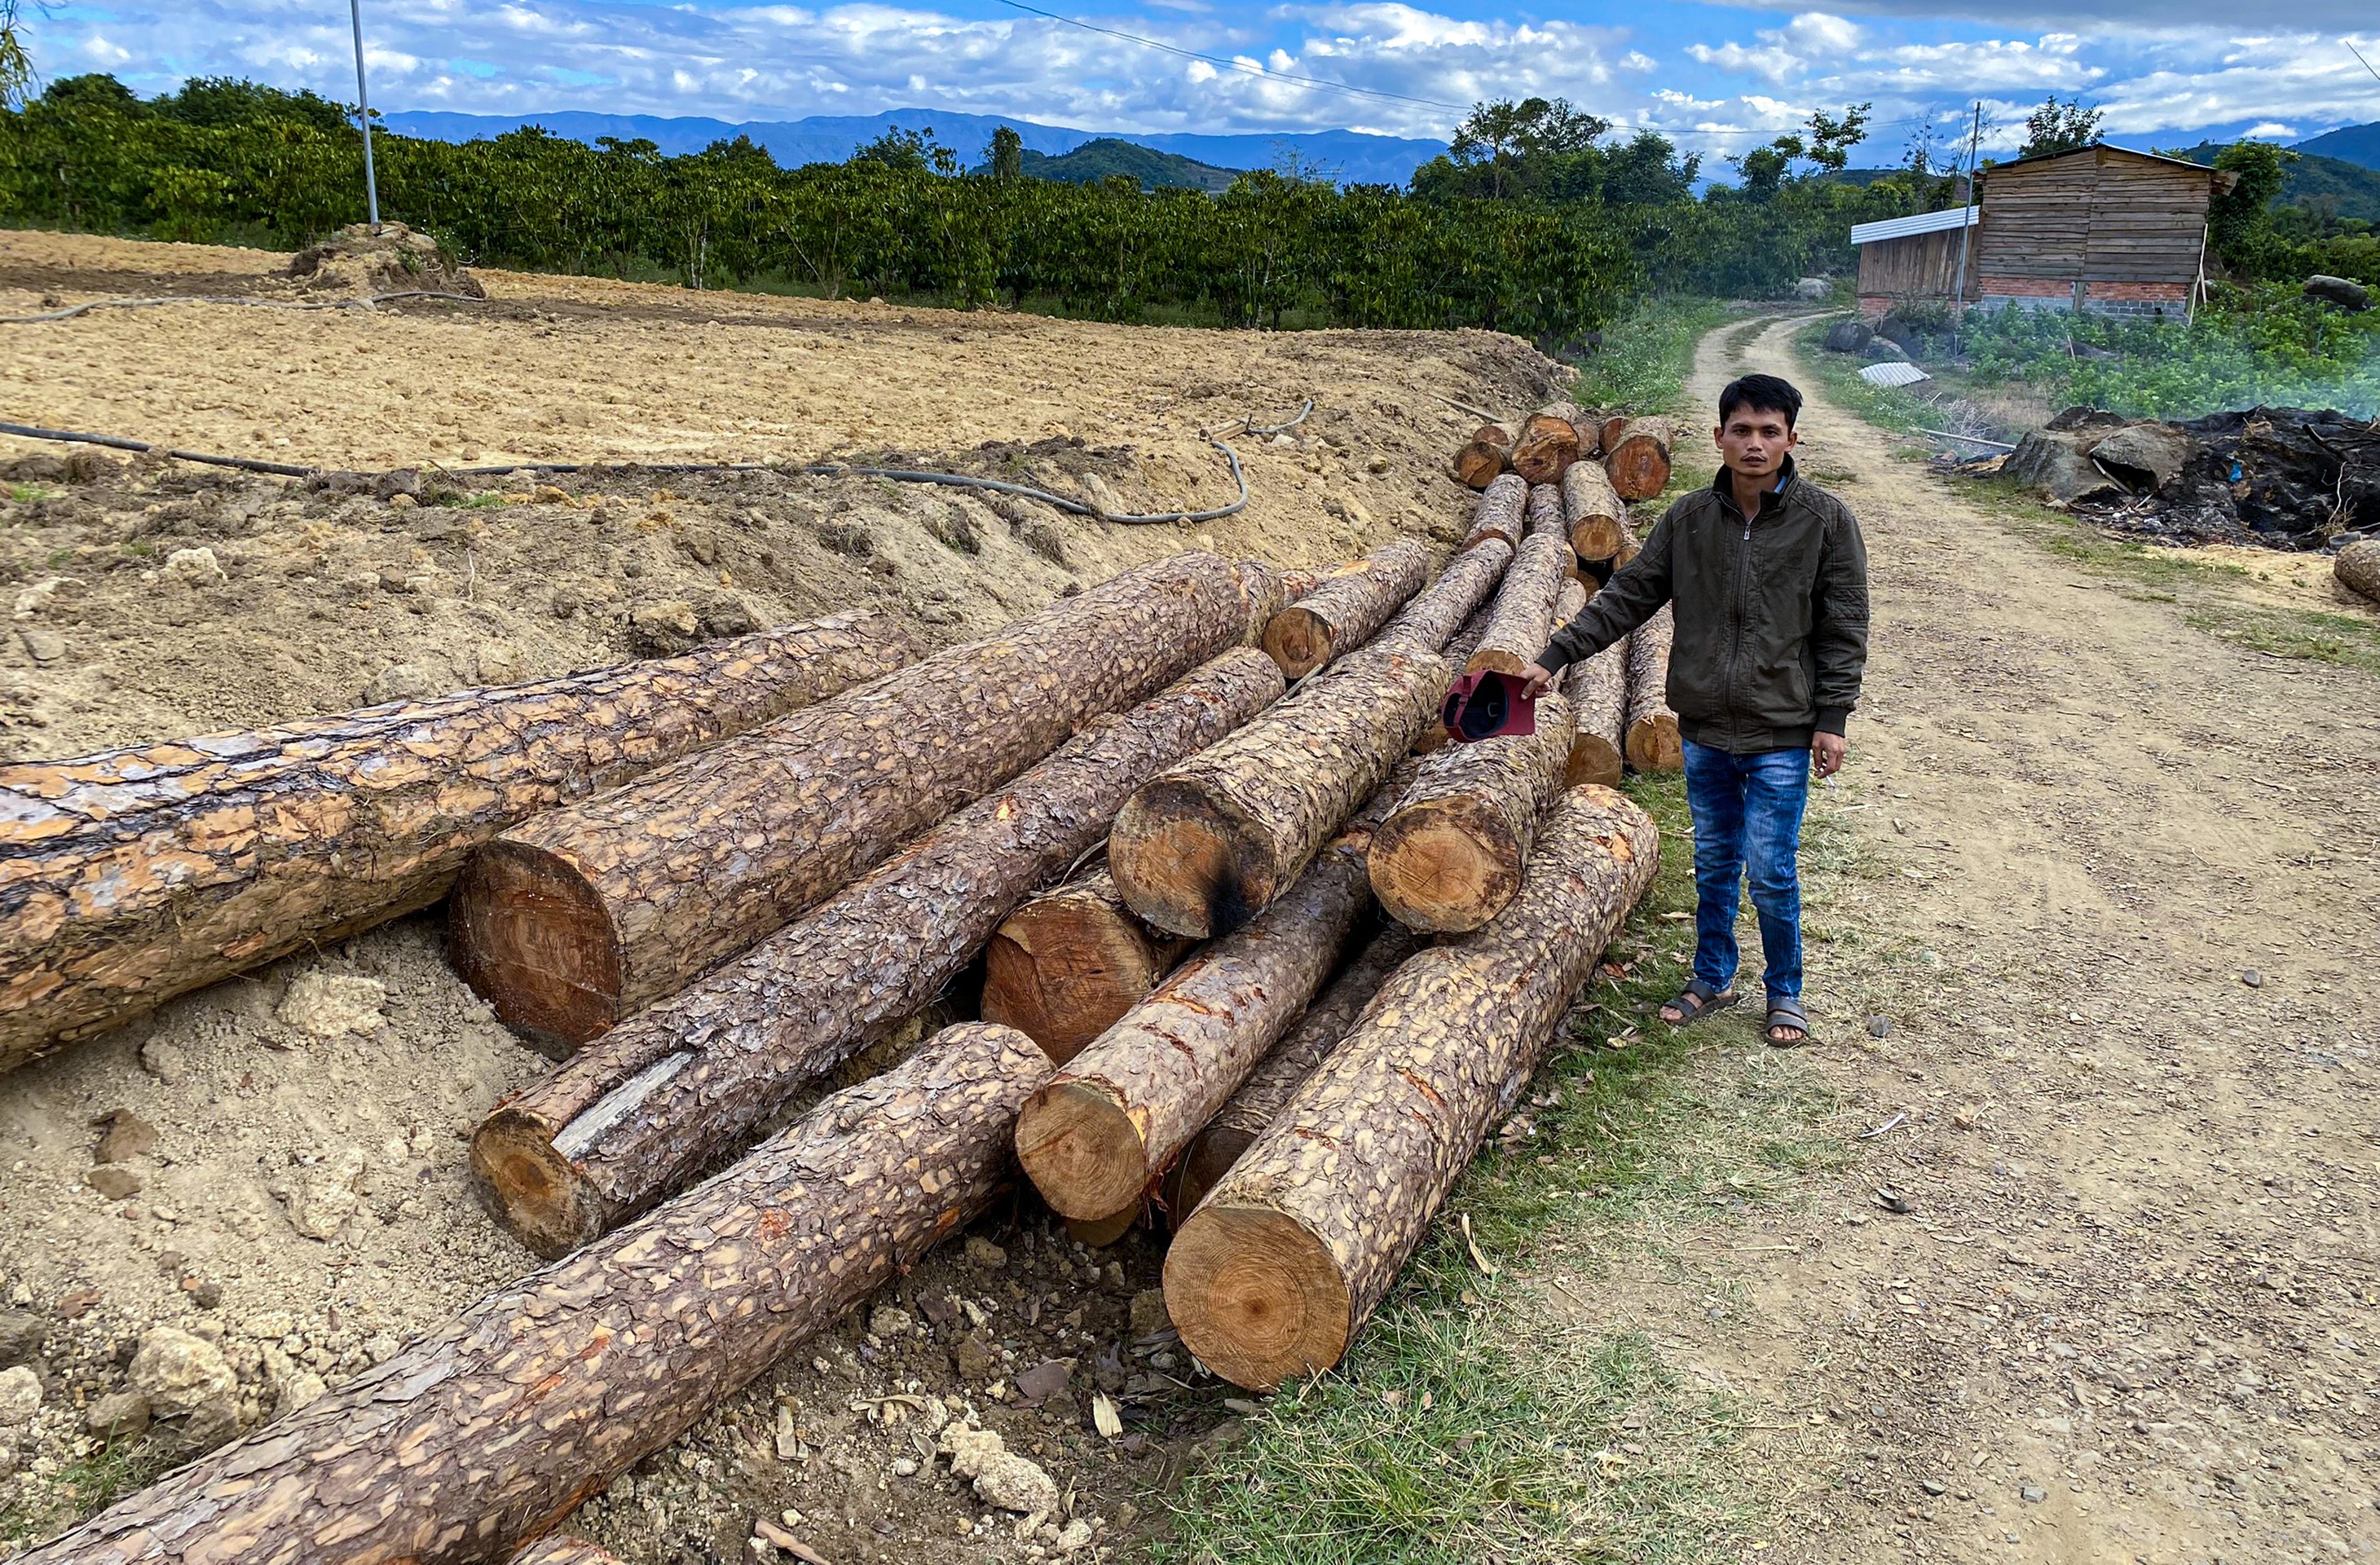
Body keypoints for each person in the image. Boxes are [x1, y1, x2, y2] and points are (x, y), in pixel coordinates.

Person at [1521, 373, 1868, 1046]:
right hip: (1706, 729)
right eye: (1742, 430)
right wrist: (1556, 654)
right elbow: (1629, 596)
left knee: (1770, 868)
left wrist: (1833, 719)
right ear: (1719, 437)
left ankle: (1786, 991)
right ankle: (1711, 974)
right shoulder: (1688, 519)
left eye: (1771, 432)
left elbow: (1844, 626)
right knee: (1713, 862)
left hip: (1781, 731)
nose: (1756, 444)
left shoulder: (1826, 522)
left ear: (1793, 439)